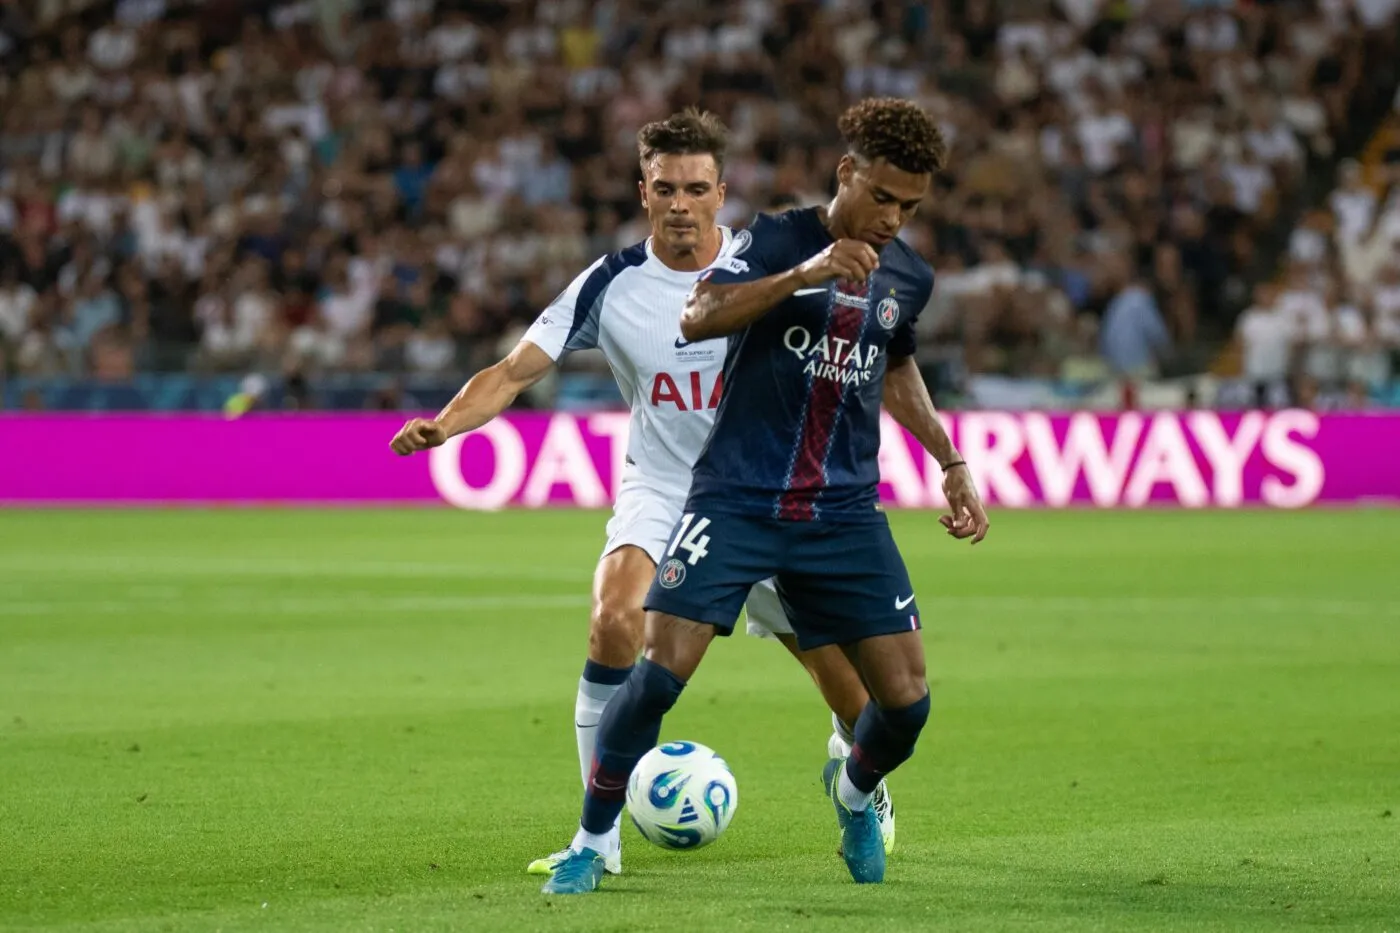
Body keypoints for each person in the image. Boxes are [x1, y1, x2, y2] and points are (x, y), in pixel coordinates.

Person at [389, 109, 896, 877]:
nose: (681, 203)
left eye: (696, 188)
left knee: (856, 695)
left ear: (721, 192)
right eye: (666, 188)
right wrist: (447, 423)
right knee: (613, 618)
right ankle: (598, 839)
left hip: (772, 496)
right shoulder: (613, 283)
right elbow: (515, 369)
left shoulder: (772, 266)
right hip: (665, 490)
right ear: (643, 192)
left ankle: (856, 777)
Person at [543, 98, 989, 895]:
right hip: (736, 500)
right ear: (847, 172)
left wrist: (950, 458)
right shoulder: (776, 240)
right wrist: (806, 275)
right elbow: (699, 312)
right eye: (883, 197)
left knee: (905, 705)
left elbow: (894, 364)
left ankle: (854, 791)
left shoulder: (909, 275)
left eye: (911, 207)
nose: (893, 218)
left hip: (843, 513)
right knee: (657, 671)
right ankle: (591, 840)